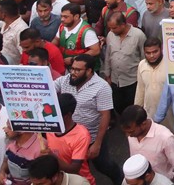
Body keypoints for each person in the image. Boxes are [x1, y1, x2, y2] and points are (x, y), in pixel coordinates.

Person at [52, 54, 122, 185]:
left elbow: (105, 115)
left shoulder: (102, 87)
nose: (73, 72)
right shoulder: (65, 80)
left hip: (92, 137)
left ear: (89, 71)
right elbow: (47, 88)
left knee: (103, 165)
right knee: (77, 168)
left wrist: (97, 144)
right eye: (72, 68)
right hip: (70, 137)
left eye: (78, 70)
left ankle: (121, 180)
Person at [118, 106, 174, 185]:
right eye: (126, 132)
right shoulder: (132, 135)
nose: (128, 135)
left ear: (143, 124)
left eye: (131, 132)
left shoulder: (165, 137)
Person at [102, 11, 146, 114]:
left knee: (132, 109)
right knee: (118, 106)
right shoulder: (110, 35)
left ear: (123, 24)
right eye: (110, 28)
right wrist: (107, 75)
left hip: (132, 81)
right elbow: (108, 55)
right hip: (115, 80)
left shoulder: (138, 35)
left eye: (114, 28)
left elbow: (144, 58)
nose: (111, 31)